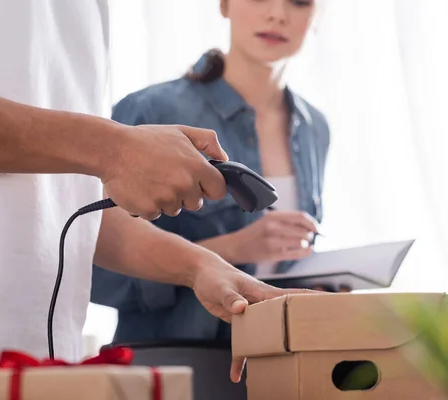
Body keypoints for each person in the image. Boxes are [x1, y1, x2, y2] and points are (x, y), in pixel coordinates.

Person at [0, 0, 310, 381]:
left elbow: (66, 205)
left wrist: (201, 266)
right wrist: (110, 147)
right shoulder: (154, 105)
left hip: (45, 361)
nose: (277, 12)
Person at [91, 0, 330, 345]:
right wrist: (231, 249)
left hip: (276, 358)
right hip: (176, 364)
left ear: (319, 14)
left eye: (299, 2)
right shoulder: (152, 109)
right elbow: (95, 271)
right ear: (224, 5)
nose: (278, 13)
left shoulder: (315, 129)